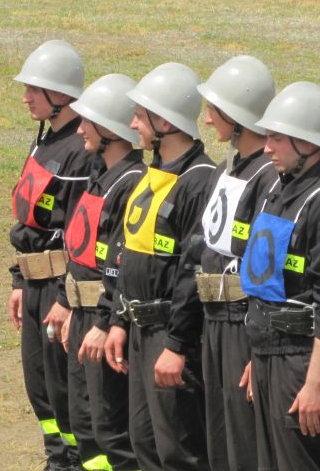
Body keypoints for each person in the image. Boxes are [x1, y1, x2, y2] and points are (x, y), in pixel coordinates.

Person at [239, 81, 320, 471]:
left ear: (307, 143)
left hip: (301, 362)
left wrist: (315, 382)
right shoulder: (279, 189)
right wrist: (259, 353)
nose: (266, 148)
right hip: (270, 356)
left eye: (276, 138)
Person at [104, 62, 215, 470]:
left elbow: (192, 272)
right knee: (145, 444)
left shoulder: (199, 181)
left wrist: (176, 345)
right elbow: (131, 253)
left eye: (140, 115)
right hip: (140, 330)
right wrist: (119, 319)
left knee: (178, 452)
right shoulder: (152, 173)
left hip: (169, 335)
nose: (133, 124)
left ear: (165, 122)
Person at [50, 73, 143, 470]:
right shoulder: (100, 177)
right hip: (83, 314)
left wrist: (105, 322)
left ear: (110, 128)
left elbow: (122, 268)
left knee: (111, 431)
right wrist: (71, 305)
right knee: (86, 426)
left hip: (103, 320)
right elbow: (82, 255)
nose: (80, 129)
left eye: (88, 121)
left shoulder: (131, 184)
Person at [8, 39, 89, 471]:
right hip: (34, 286)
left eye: (33, 89)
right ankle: (56, 461)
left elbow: (79, 235)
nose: (26, 97)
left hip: (59, 291)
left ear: (60, 93)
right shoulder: (44, 141)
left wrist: (64, 296)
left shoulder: (81, 149)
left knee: (64, 392)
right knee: (39, 389)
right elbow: (32, 225)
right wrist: (19, 281)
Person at [196, 55, 277, 471]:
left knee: (244, 444)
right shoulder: (227, 169)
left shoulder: (269, 178)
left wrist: (255, 346)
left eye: (215, 110)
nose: (208, 120)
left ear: (238, 115)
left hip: (241, 323)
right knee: (219, 440)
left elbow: (264, 268)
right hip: (214, 320)